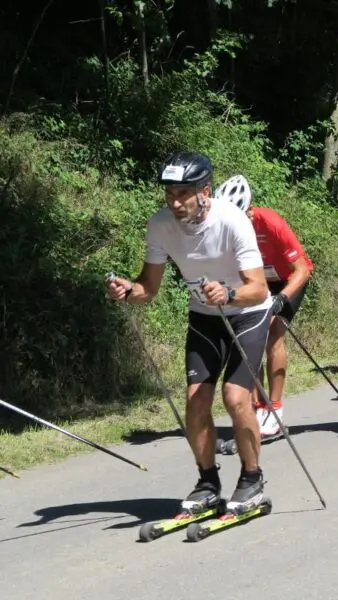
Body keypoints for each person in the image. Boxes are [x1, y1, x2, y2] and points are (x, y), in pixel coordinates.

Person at [106, 151, 272, 514]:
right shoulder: (160, 225)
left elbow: (259, 288)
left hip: (247, 313)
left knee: (234, 397)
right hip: (204, 316)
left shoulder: (232, 221)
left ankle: (252, 477)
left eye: (183, 193)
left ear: (205, 192)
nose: (175, 202)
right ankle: (208, 481)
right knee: (196, 398)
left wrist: (229, 293)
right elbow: (148, 288)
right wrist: (126, 290)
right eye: (169, 194)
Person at [215, 175, 313, 439]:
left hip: (288, 281)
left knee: (271, 336)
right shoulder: (224, 230)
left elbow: (302, 270)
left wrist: (282, 298)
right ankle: (260, 407)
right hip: (258, 283)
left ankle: (276, 409)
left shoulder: (270, 223)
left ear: (249, 209)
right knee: (251, 340)